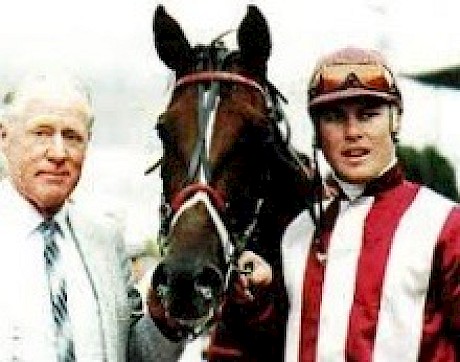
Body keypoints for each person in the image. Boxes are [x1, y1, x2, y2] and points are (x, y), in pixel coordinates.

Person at [279, 47, 460, 360]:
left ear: (396, 120)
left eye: (368, 114)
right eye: (334, 117)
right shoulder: (296, 234)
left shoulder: (446, 225)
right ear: (317, 133)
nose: (353, 132)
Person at [0, 72, 183, 361]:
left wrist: (165, 322)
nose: (58, 153)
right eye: (42, 133)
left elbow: (135, 355)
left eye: (72, 137)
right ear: (4, 137)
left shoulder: (105, 241)